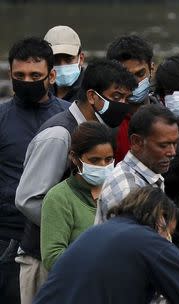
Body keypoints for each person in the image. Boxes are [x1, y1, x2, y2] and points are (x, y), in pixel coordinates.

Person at [15, 59, 136, 303]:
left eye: (126, 99)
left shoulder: (99, 131)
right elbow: (27, 199)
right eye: (117, 96)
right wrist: (75, 228)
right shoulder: (59, 135)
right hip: (44, 260)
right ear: (92, 96)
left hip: (83, 260)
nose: (123, 105)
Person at [33, 186, 179, 304]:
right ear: (161, 218)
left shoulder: (96, 232)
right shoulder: (149, 241)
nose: (168, 240)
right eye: (169, 233)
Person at [0, 37, 69, 304]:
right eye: (20, 75)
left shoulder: (71, 117)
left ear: (51, 76)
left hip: (59, 237)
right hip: (9, 239)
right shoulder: (2, 119)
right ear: (10, 74)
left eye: (35, 75)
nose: (27, 81)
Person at [40, 122, 114, 271]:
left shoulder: (116, 190)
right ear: (74, 157)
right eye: (94, 160)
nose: (103, 166)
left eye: (108, 159)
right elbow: (52, 258)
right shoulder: (59, 198)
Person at [106, 35, 159, 163]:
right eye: (126, 76)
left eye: (140, 74)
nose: (134, 83)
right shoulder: (107, 125)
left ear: (151, 69)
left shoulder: (165, 114)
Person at [44, 25, 85, 102]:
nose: (62, 66)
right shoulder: (41, 93)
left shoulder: (92, 92)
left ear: (81, 59)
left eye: (68, 59)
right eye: (55, 60)